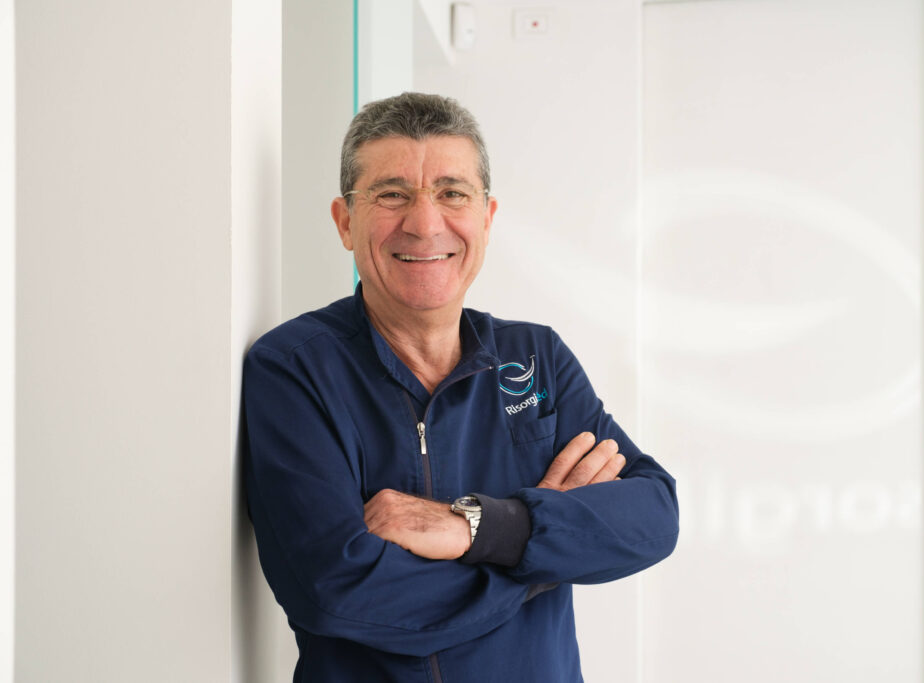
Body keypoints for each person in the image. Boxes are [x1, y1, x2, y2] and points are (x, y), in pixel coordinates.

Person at [242, 92, 678, 682]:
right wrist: (539, 554)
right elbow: (337, 591)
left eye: (452, 193)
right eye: (392, 194)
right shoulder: (295, 369)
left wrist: (474, 528)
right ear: (345, 222)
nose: (425, 224)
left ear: (486, 219)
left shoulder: (536, 357)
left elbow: (653, 515)